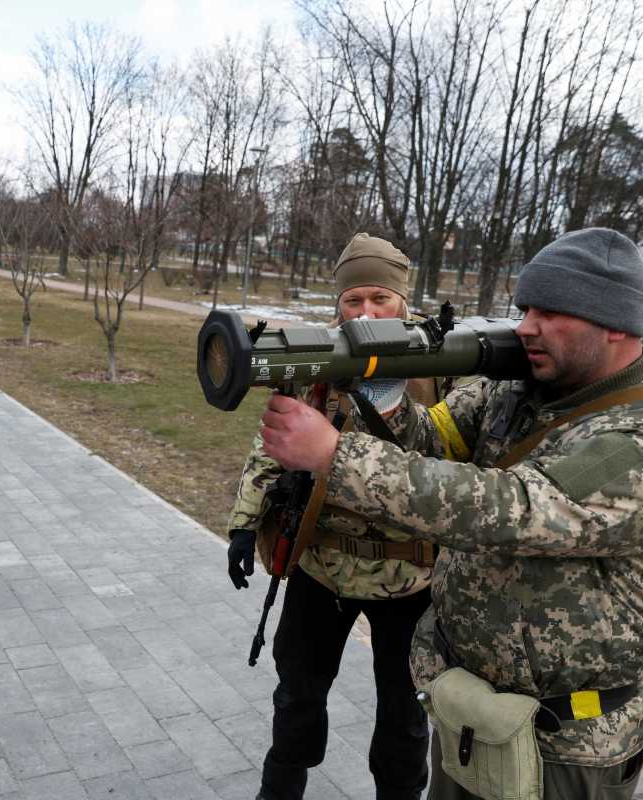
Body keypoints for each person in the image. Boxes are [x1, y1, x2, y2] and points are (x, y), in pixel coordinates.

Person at [258, 228, 643, 799]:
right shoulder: (517, 394)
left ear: (616, 323)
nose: (526, 326)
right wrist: (389, 397)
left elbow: (513, 510)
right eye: (526, 308)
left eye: (551, 313)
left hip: (565, 744)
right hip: (470, 714)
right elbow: (433, 440)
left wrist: (334, 454)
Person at [228, 233, 440, 800]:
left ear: (403, 300)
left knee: (404, 715)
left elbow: (461, 462)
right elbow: (270, 439)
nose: (366, 313)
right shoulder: (315, 355)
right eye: (353, 300)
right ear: (337, 304)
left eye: (380, 298)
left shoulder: (440, 360)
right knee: (296, 694)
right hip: (322, 566)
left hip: (409, 579)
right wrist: (244, 524)